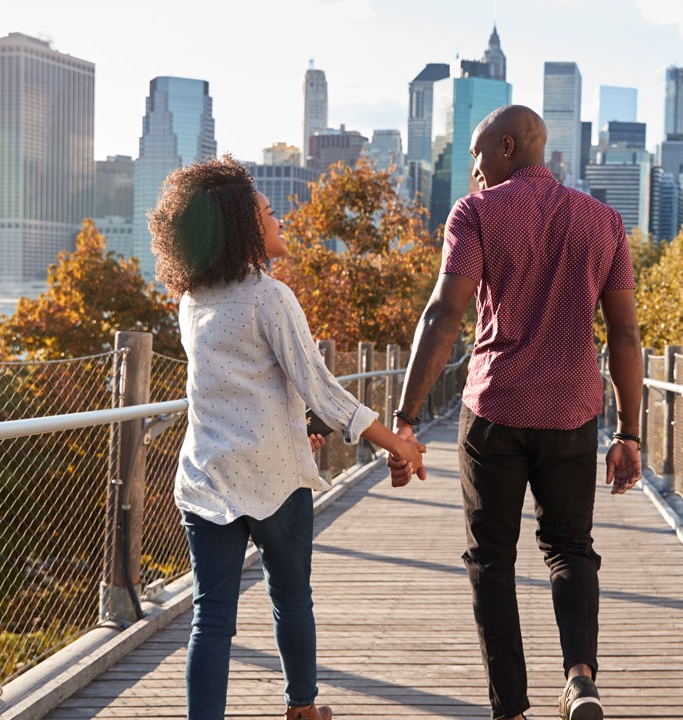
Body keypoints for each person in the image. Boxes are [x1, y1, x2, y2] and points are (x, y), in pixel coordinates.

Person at [387, 105, 644, 720]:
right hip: (573, 412)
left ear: (507, 147)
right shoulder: (603, 220)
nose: (473, 170)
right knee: (570, 549)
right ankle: (580, 680)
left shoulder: (475, 214)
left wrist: (405, 415)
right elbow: (627, 336)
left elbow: (444, 315)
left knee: (491, 558)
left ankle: (510, 708)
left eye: (477, 155)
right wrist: (630, 434)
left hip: (495, 410)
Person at [149, 157, 426, 720]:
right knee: (291, 598)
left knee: (212, 616)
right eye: (270, 214)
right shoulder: (269, 297)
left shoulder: (191, 302)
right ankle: (301, 710)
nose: (280, 221)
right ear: (243, 230)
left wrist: (296, 426)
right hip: (274, 479)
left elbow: (236, 388)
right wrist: (395, 443)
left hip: (207, 479)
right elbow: (320, 387)